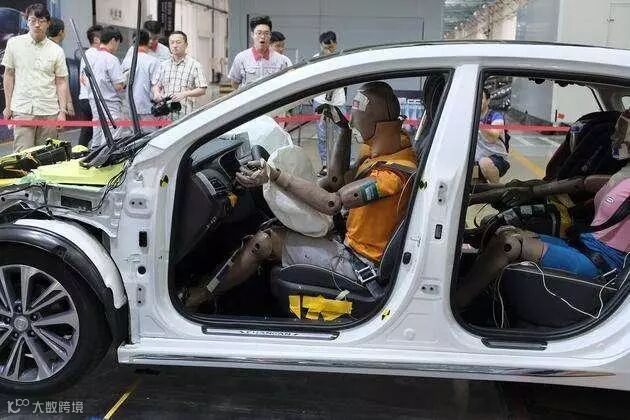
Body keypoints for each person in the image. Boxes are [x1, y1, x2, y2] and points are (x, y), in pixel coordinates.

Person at [184, 81, 417, 311]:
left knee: (263, 242)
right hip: (348, 243)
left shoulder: (391, 176)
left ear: (376, 123)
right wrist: (343, 130)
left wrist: (274, 174)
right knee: (271, 225)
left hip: (358, 264)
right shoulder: (390, 151)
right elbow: (335, 181)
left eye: (357, 117)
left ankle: (199, 296)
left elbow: (332, 202)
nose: (354, 121)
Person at [456, 110, 630, 309]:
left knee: (509, 244)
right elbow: (580, 184)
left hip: (603, 263)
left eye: (623, 133)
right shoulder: (621, 175)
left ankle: (458, 305)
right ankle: (483, 300)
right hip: (584, 244)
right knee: (504, 232)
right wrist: (475, 195)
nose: (615, 138)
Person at [1, 3, 69, 152]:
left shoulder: (56, 50)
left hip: (49, 111)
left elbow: (61, 81)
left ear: (48, 23)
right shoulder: (14, 44)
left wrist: (62, 111)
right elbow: (9, 75)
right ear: (27, 22)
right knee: (22, 156)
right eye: (32, 20)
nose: (37, 25)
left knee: (47, 156)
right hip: (22, 109)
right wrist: (8, 106)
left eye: (41, 21)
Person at [85, 26, 126, 149]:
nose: (117, 47)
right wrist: (126, 80)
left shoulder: (91, 58)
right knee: (110, 142)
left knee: (97, 141)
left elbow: (83, 79)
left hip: (94, 103)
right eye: (118, 43)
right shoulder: (111, 59)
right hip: (110, 106)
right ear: (113, 40)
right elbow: (118, 86)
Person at [152, 31, 207, 121]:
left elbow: (202, 89)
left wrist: (184, 94)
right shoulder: (163, 65)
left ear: (186, 45)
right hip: (166, 116)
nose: (175, 45)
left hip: (186, 116)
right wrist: (157, 93)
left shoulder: (195, 65)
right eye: (172, 43)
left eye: (178, 42)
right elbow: (156, 85)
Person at [312, 31, 345, 176]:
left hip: (338, 102)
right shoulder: (316, 60)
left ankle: (341, 164)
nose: (328, 51)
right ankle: (325, 165)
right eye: (325, 47)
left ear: (335, 44)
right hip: (320, 101)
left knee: (341, 133)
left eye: (331, 47)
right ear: (321, 45)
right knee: (322, 135)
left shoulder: (342, 58)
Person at [228, 16, 291, 89]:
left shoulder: (280, 60)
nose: (263, 36)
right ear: (252, 35)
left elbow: (284, 84)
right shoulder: (241, 58)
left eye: (266, 33)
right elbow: (234, 83)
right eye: (259, 33)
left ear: (270, 35)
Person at [122, 29, 159, 131]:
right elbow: (157, 84)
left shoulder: (127, 61)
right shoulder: (153, 61)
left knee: (134, 136)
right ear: (148, 41)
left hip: (130, 106)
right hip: (147, 107)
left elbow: (122, 84)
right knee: (150, 137)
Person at [476, 88, 510, 183]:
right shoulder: (470, 116)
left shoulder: (496, 116)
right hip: (476, 159)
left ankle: (496, 188)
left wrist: (480, 125)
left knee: (485, 163)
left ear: (488, 100)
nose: (477, 101)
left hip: (497, 159)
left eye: (481, 98)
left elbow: (493, 137)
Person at [77, 24, 102, 147]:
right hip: (92, 98)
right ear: (96, 39)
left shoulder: (87, 54)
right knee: (96, 131)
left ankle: (79, 153)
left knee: (87, 131)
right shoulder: (96, 54)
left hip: (84, 97)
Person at [47, 18, 74, 119]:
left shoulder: (40, 48)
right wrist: (69, 103)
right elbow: (63, 80)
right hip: (53, 101)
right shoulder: (57, 51)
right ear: (61, 32)